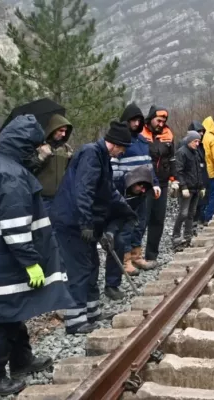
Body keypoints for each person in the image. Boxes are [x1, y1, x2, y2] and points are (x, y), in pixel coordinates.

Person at [0, 115, 74, 396]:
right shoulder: (12, 177)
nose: (38, 151)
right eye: (35, 147)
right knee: (5, 317)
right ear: (24, 146)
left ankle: (21, 360)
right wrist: (31, 263)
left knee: (15, 308)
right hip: (5, 260)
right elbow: (16, 228)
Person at [51, 121, 135, 334]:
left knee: (91, 265)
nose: (123, 152)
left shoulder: (101, 156)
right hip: (71, 222)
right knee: (79, 269)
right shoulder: (91, 154)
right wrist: (87, 223)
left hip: (80, 222)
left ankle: (91, 311)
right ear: (115, 144)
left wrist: (125, 209)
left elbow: (107, 190)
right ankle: (75, 321)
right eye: (123, 148)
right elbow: (84, 190)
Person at [110, 102, 159, 277]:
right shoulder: (121, 141)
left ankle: (137, 256)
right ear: (126, 121)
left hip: (143, 190)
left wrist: (155, 183)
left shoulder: (143, 141)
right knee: (126, 227)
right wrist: (120, 186)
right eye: (133, 120)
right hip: (127, 192)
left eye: (139, 120)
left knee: (141, 223)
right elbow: (114, 165)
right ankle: (126, 260)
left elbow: (149, 165)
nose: (136, 124)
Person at [104, 166, 153, 300]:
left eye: (145, 187)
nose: (142, 190)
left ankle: (112, 284)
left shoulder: (140, 194)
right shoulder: (116, 184)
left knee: (120, 241)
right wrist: (108, 230)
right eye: (140, 186)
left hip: (122, 216)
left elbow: (131, 219)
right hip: (105, 214)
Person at [141, 106, 176, 267]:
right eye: (159, 120)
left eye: (163, 121)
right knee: (141, 219)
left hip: (162, 183)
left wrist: (174, 178)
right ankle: (134, 256)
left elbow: (172, 158)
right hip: (143, 183)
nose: (161, 124)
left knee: (158, 220)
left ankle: (151, 255)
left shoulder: (168, 134)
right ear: (151, 118)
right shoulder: (141, 133)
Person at [30, 114, 74, 212]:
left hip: (61, 199)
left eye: (65, 131)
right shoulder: (39, 147)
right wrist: (41, 157)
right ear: (53, 129)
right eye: (61, 130)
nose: (63, 134)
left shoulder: (67, 149)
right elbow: (28, 170)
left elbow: (70, 173)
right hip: (42, 199)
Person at [173, 132, 206, 247]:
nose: (197, 144)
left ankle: (188, 235)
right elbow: (179, 171)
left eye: (198, 141)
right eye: (195, 141)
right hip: (187, 188)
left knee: (191, 213)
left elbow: (199, 171)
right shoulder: (182, 152)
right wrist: (183, 187)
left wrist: (201, 186)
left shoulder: (196, 153)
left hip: (195, 188)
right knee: (183, 213)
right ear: (189, 141)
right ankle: (176, 236)